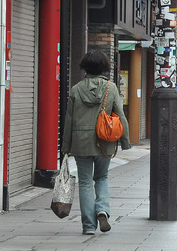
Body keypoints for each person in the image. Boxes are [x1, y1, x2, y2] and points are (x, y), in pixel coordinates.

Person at [62, 50, 131, 235]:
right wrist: (125, 142)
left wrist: (66, 147)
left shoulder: (76, 89)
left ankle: (89, 226)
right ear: (104, 67)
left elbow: (69, 121)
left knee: (85, 182)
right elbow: (120, 115)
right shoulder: (111, 88)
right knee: (101, 177)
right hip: (104, 141)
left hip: (81, 142)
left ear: (85, 67)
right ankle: (102, 209)